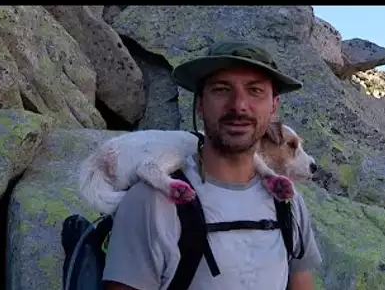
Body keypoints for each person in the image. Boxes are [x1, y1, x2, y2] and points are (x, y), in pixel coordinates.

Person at [101, 40, 322, 290]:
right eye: (221, 89)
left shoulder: (288, 203)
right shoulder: (149, 201)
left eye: (255, 91)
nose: (239, 104)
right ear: (199, 104)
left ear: (274, 106)